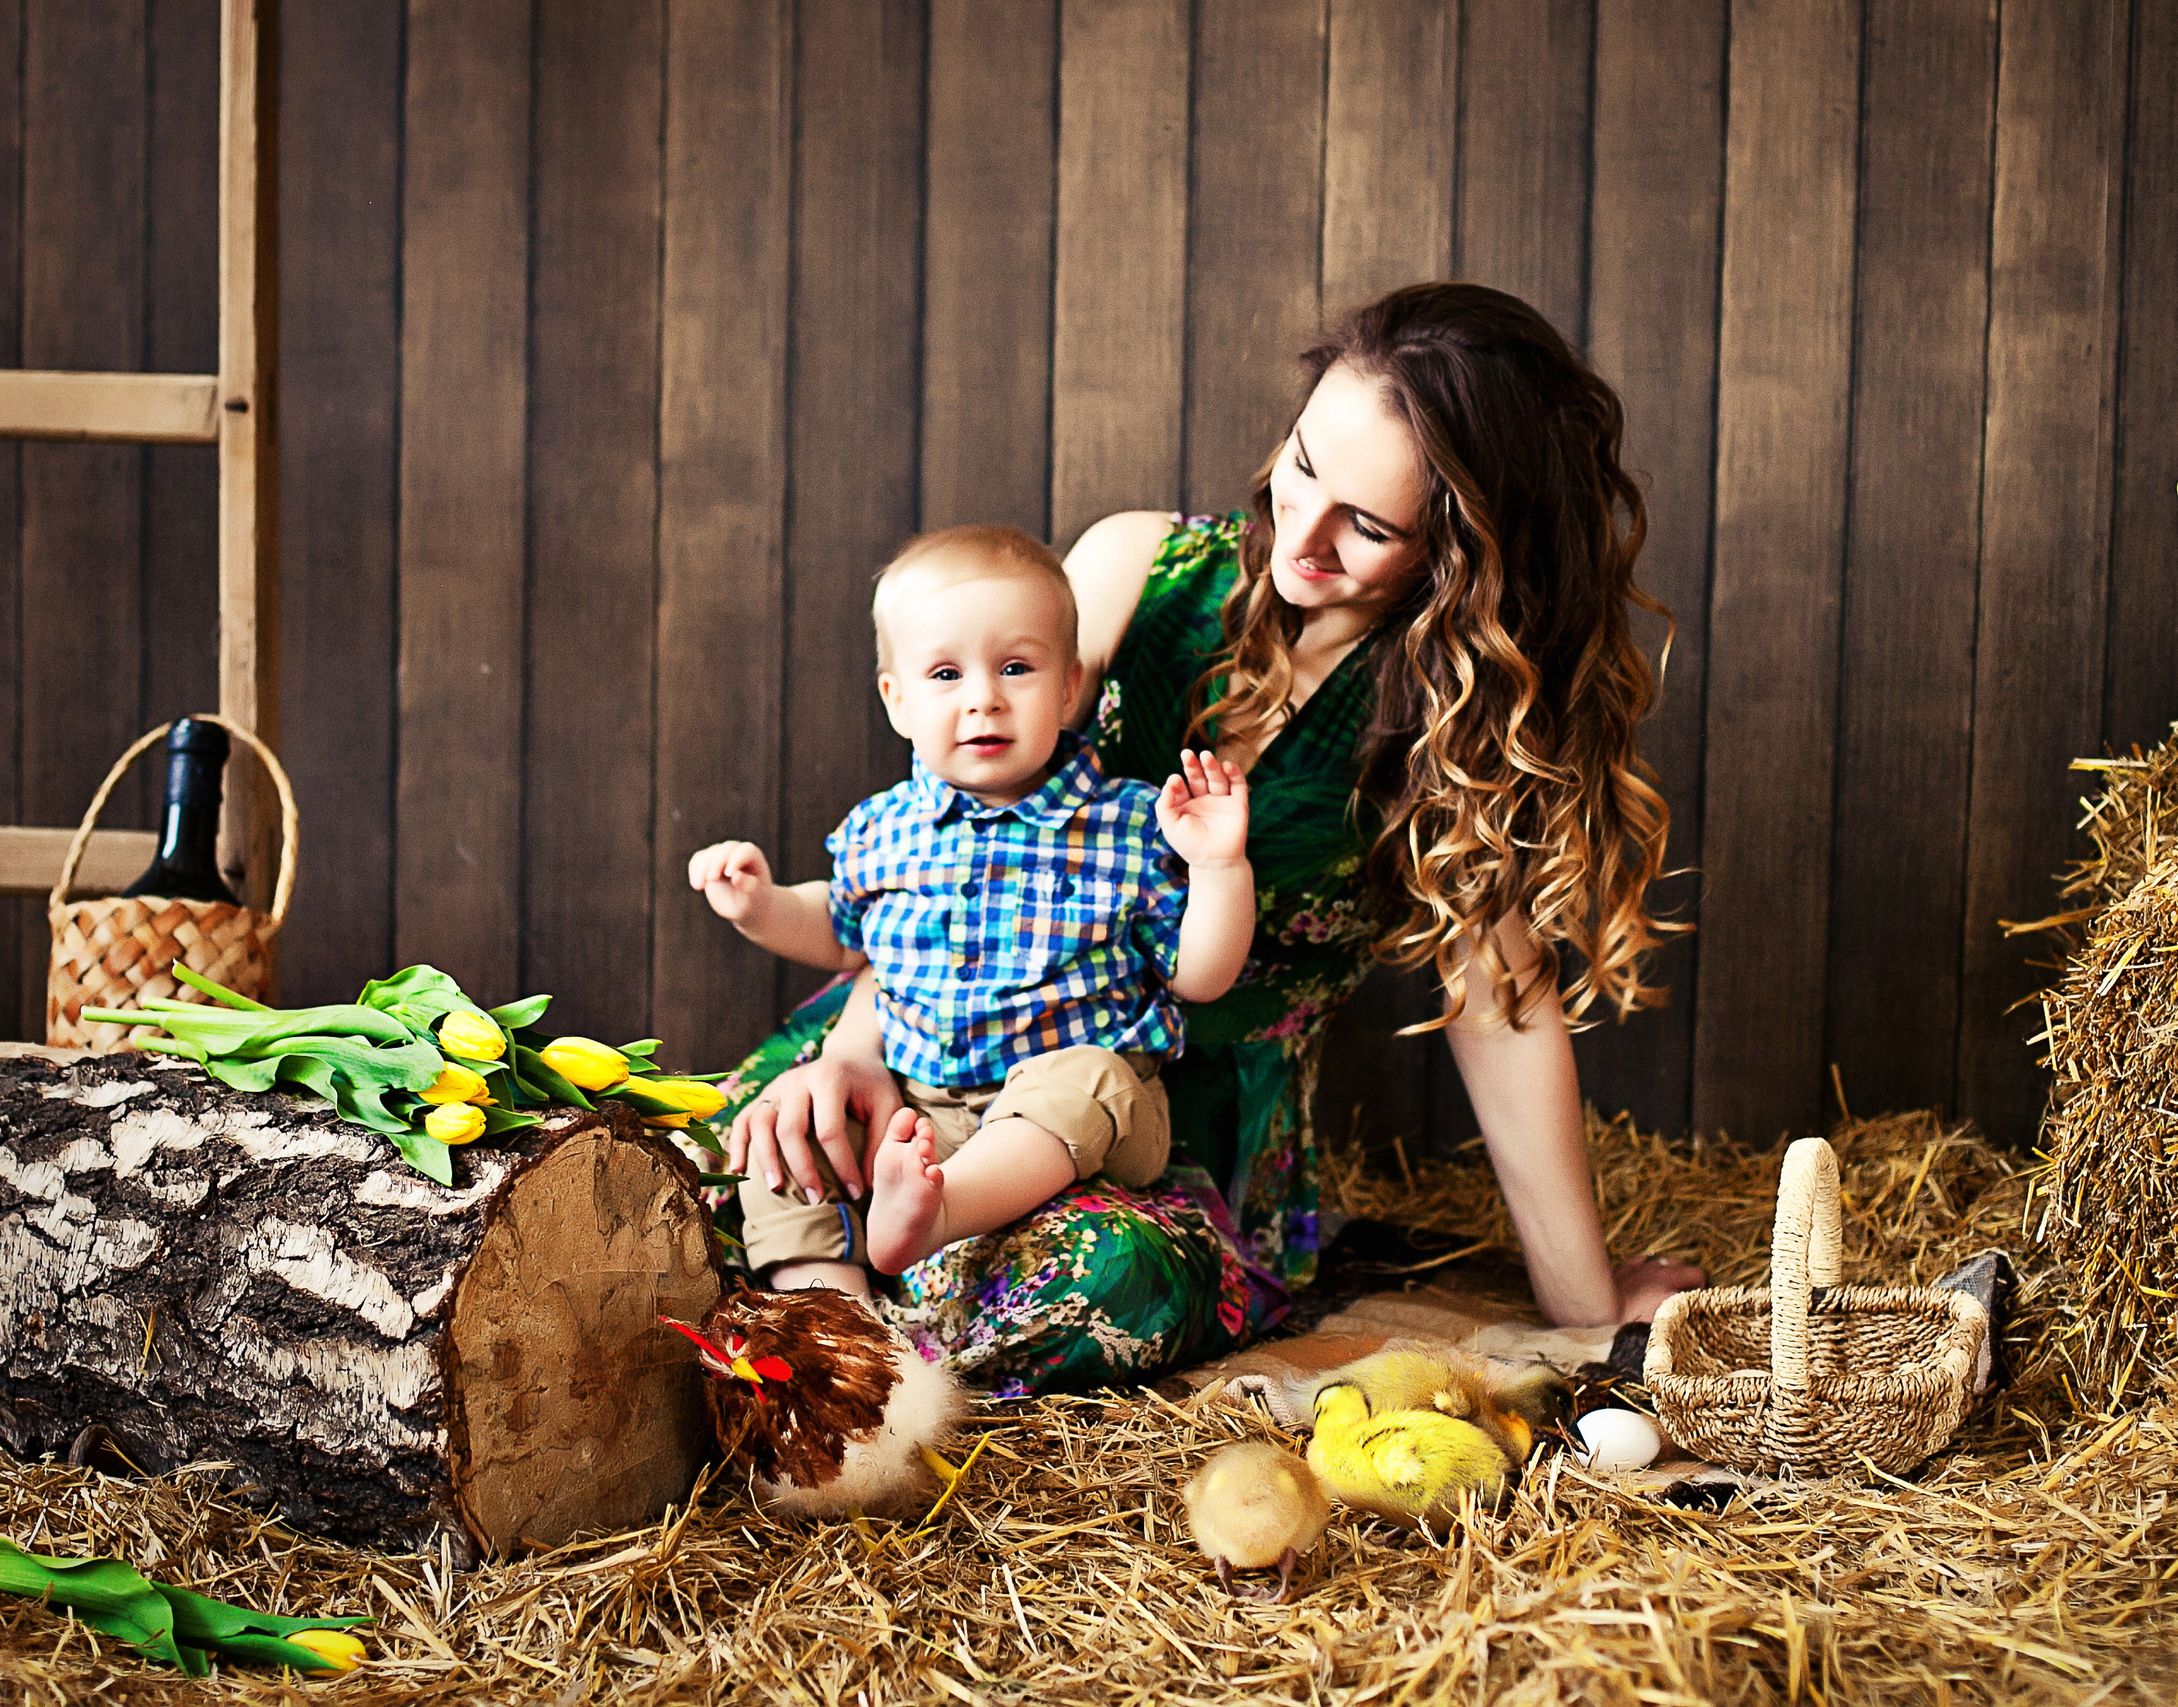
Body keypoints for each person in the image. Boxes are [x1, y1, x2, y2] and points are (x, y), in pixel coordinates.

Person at [717, 282, 1702, 1394]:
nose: (1304, 534)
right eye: (1302, 464)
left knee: (1118, 1276)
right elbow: (954, 839)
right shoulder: (1138, 568)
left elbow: (1501, 1016)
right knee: (746, 1148)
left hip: (1146, 1123)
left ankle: (849, 1336)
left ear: (1462, 552)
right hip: (925, 1016)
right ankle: (836, 1302)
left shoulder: (1449, 733)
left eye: (1369, 527)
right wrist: (855, 1050)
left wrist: (1585, 1306)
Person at [688, 525, 1256, 1280]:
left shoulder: (1129, 823)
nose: (984, 698)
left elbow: (1199, 975)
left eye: (1015, 667)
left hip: (1065, 1117)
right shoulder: (883, 828)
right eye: (946, 674)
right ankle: (834, 1309)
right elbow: (840, 932)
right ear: (897, 701)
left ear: (1069, 687)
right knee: (786, 1155)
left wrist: (1219, 865)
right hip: (920, 1107)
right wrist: (758, 905)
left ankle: (941, 1213)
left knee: (1091, 1079)